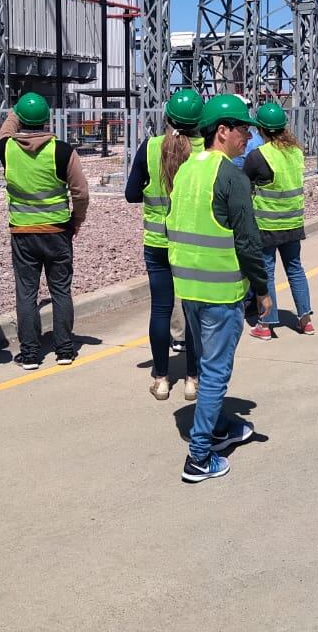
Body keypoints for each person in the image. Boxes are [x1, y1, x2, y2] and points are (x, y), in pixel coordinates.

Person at [167, 94, 271, 483]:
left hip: (189, 289)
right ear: (222, 131)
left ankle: (220, 427)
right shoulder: (232, 176)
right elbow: (248, 241)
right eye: (244, 129)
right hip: (221, 294)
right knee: (214, 372)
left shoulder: (187, 170)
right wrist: (261, 290)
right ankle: (198, 457)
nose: (249, 136)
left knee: (209, 365)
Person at [0, 92, 89, 369]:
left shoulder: (7, 149)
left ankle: (30, 354)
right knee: (61, 290)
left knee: (26, 293)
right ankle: (64, 350)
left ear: (21, 120)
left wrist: (16, 109)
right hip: (58, 231)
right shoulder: (62, 150)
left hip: (23, 232)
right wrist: (77, 220)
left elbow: (5, 129)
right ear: (48, 119)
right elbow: (81, 192)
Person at [124, 89, 203, 401]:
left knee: (160, 309)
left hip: (157, 243)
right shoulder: (205, 151)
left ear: (167, 117)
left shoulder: (150, 147)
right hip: (195, 243)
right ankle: (193, 379)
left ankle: (160, 378)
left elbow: (131, 193)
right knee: (194, 310)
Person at [243, 102, 314, 340]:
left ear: (261, 129)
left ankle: (266, 322)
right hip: (293, 223)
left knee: (267, 273)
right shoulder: (296, 153)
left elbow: (245, 184)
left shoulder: (258, 156)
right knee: (295, 269)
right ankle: (305, 319)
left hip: (267, 226)